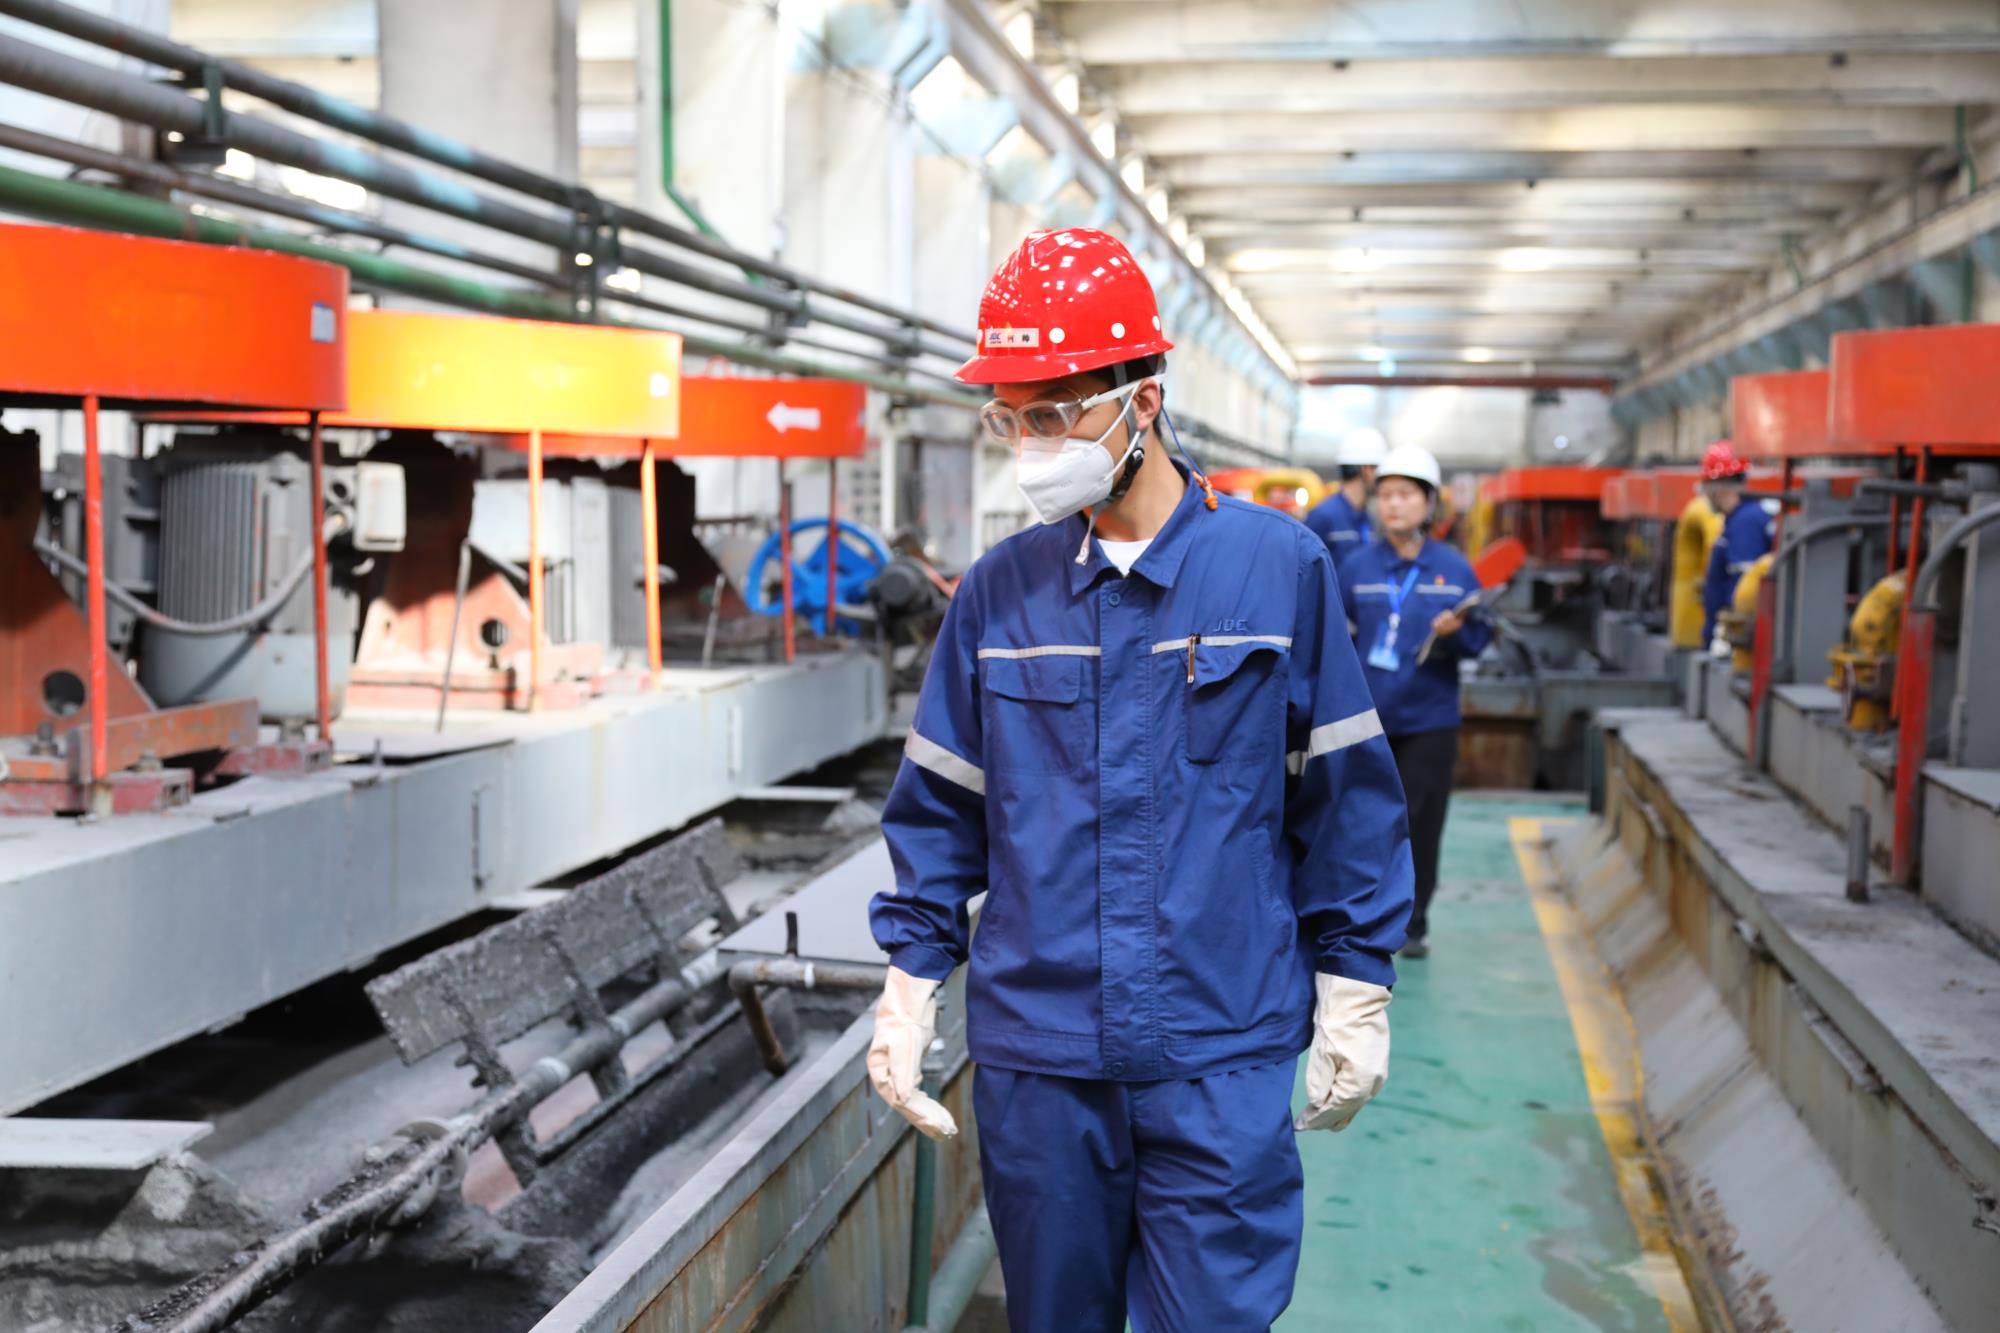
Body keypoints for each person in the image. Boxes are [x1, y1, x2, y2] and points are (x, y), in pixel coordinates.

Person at [865, 228, 1414, 1333]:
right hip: (1043, 1054)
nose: (1030, 445)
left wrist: (1354, 983)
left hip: (1218, 1045)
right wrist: (910, 980)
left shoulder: (1276, 569)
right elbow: (942, 809)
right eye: (1010, 417)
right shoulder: (998, 594)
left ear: (1143, 402)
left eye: (1054, 415)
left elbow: (1344, 796)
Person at [1337, 444, 1491, 960]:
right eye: (1385, 495)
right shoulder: (1356, 568)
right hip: (1367, 719)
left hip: (1429, 720)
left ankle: (1415, 921)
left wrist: (1455, 634)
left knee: (1422, 824)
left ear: (1429, 503)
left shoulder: (1454, 570)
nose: (1393, 505)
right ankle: (1363, 915)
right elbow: (1336, 640)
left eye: (1405, 494)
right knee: (1363, 821)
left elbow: (1479, 640)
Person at [1698, 440, 1776, 654]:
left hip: (1739, 645)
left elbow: (1742, 587)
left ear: (1718, 486)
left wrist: (1728, 632)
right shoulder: (1738, 519)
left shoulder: (1746, 522)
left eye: (1706, 486)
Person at [1303, 427, 1387, 554]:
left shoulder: (1367, 517)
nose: (1383, 480)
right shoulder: (1323, 516)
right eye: (1379, 471)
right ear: (1367, 469)